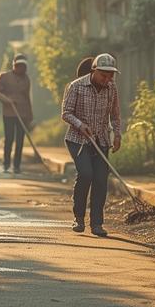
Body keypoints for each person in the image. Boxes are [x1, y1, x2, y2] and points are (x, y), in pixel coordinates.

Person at [61, 53, 123, 237]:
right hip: (77, 140)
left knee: (100, 180)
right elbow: (65, 113)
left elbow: (115, 115)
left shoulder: (111, 88)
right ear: (94, 71)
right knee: (86, 174)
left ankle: (97, 224)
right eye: (104, 75)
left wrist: (117, 134)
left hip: (101, 140)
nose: (107, 79)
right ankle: (78, 218)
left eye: (110, 75)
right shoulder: (76, 86)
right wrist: (80, 125)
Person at [0, 54, 34, 173]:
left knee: (20, 140)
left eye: (23, 66)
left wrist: (30, 114)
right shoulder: (4, 77)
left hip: (23, 114)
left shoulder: (26, 79)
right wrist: (7, 100)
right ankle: (6, 163)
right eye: (19, 66)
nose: (21, 68)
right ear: (14, 65)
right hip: (9, 113)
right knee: (9, 138)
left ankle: (17, 165)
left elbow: (27, 98)